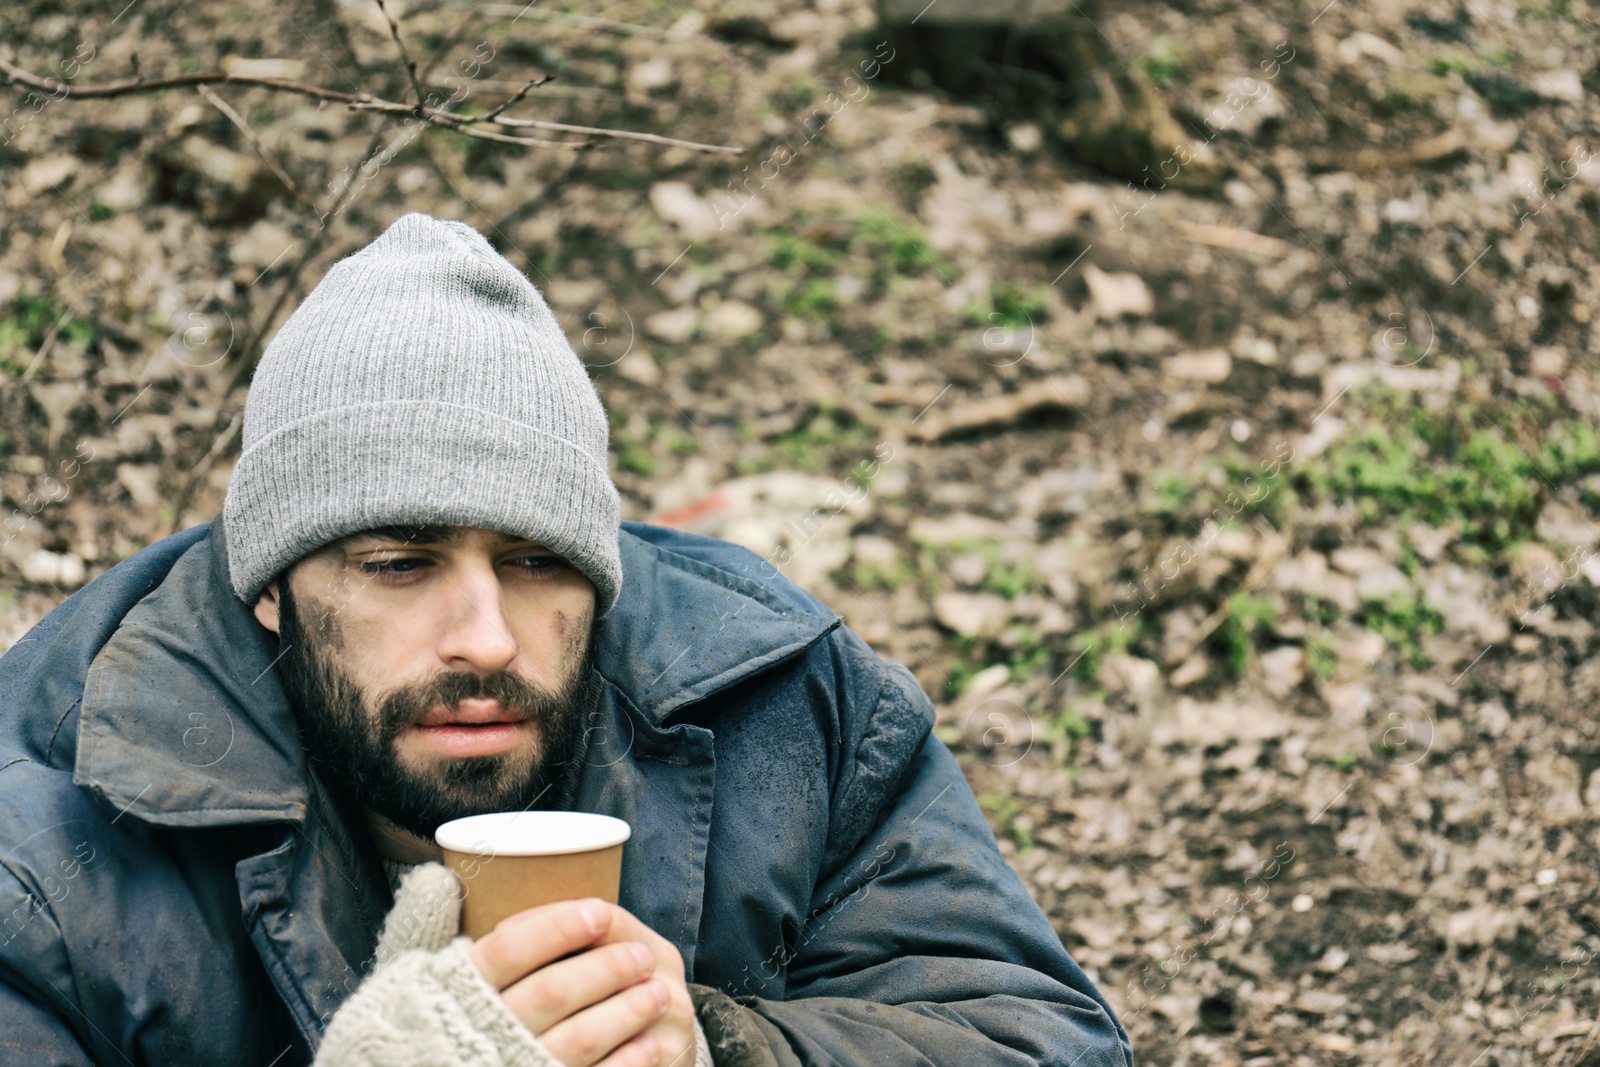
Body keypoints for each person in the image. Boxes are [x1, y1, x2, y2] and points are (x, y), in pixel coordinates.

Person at [0, 213, 1133, 1066]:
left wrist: (721, 1047)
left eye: (538, 562)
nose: (484, 637)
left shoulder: (786, 703)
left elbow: (1044, 1037)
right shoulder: (48, 838)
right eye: (399, 565)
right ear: (270, 589)